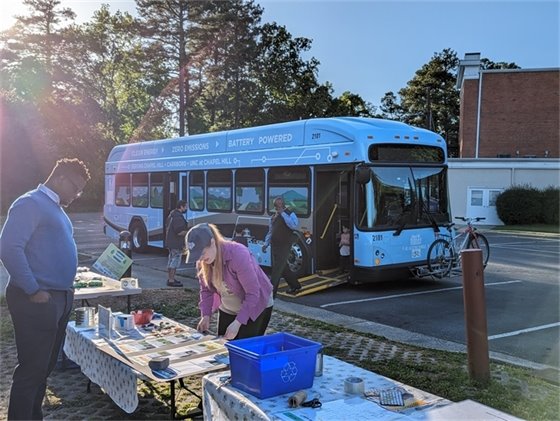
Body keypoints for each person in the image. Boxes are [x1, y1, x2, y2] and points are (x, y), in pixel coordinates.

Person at [0, 158, 90, 421]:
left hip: (58, 298)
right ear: (61, 178)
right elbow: (8, 247)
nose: (77, 195)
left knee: (43, 370)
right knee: (31, 370)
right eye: (76, 188)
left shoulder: (55, 209)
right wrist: (32, 289)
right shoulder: (30, 203)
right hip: (36, 300)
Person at [186, 223, 273, 340]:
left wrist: (238, 323)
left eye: (202, 253)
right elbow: (206, 290)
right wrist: (205, 315)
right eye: (197, 255)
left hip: (255, 306)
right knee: (224, 347)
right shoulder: (202, 262)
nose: (200, 259)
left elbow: (253, 293)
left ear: (212, 242)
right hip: (228, 307)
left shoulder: (238, 254)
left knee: (244, 350)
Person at [262, 196, 302, 296]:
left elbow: (293, 225)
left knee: (277, 268)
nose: (278, 207)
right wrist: (266, 244)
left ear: (283, 204)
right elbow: (270, 231)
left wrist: (283, 213)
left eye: (280, 204)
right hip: (275, 245)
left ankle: (271, 292)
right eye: (276, 205)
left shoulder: (290, 214)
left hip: (285, 245)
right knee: (283, 267)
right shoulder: (273, 217)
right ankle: (295, 286)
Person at [165, 200, 188, 287]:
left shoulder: (172, 214)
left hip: (170, 242)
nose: (186, 208)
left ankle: (170, 278)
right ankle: (171, 280)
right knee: (175, 261)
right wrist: (189, 231)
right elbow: (179, 231)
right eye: (185, 206)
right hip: (176, 243)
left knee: (171, 260)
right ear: (181, 207)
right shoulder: (178, 217)